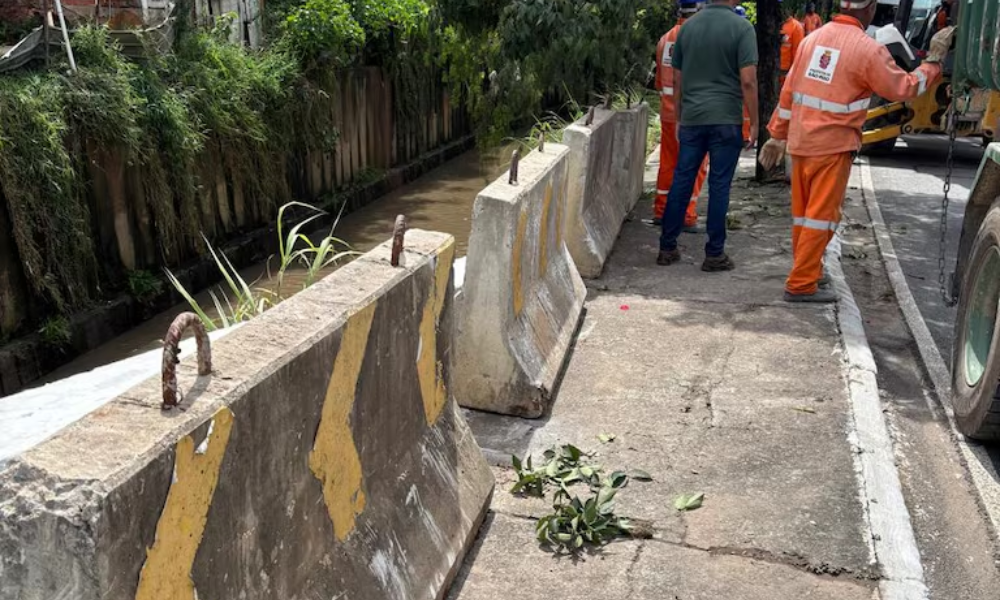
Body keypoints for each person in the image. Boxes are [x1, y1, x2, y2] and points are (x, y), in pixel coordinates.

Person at [759, 0, 955, 302]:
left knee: (804, 215)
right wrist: (933, 62)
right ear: (871, 7)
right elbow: (904, 88)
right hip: (833, 146)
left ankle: (809, 270)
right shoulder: (868, 49)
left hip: (801, 142)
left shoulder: (812, 40)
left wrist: (776, 135)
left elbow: (789, 94)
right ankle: (801, 284)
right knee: (821, 217)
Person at [658, 0, 758, 271]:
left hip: (692, 119)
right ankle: (714, 254)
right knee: (719, 186)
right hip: (726, 119)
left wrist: (679, 118)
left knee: (682, 180)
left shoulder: (688, 28)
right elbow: (748, 81)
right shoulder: (742, 28)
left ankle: (667, 247)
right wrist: (755, 123)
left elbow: (677, 80)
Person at [650, 1, 708, 230]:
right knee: (695, 164)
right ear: (700, 9)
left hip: (668, 113)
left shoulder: (665, 39)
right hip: (692, 114)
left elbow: (658, 82)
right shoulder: (700, 38)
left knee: (668, 162)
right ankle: (686, 215)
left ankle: (661, 210)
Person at [780, 4, 805, 87]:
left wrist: (794, 71)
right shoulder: (773, 23)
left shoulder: (796, 27)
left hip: (785, 70)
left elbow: (797, 51)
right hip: (772, 69)